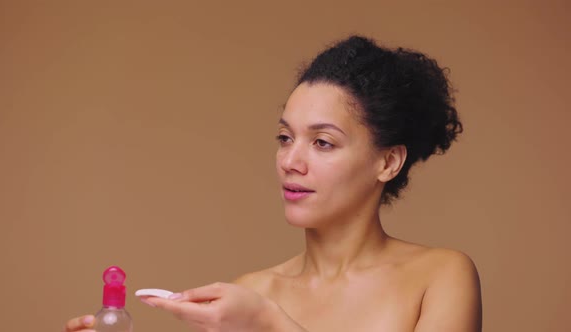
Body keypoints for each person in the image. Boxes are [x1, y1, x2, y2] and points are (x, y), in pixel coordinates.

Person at [65, 35, 482, 332]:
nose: (290, 161)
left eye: (322, 142)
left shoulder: (440, 277)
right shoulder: (250, 292)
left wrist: (270, 324)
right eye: (285, 138)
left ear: (388, 161)